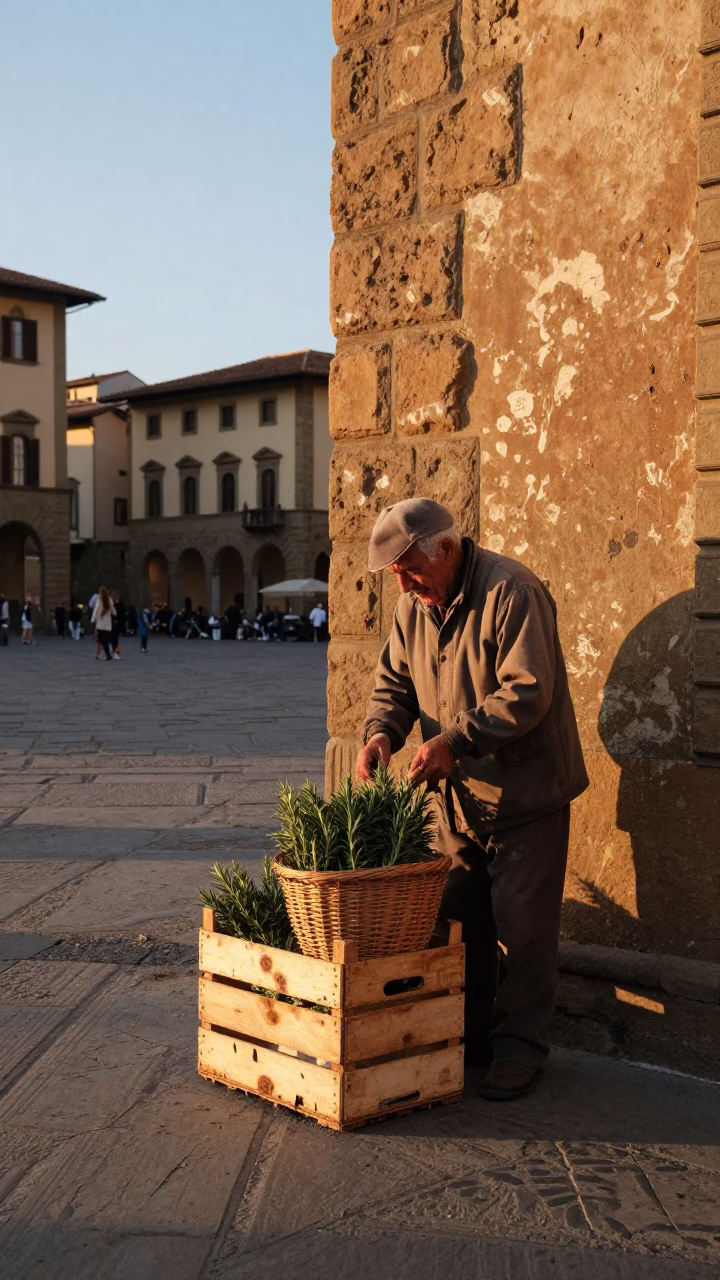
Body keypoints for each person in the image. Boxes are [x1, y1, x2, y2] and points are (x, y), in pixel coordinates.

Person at [356, 498, 589, 1102]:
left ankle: (520, 1051)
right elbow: (394, 683)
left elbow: (528, 692)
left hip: (525, 794)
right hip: (458, 799)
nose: (405, 586)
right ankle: (473, 1039)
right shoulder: (413, 607)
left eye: (411, 569)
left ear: (448, 549)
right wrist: (381, 731)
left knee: (525, 930)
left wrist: (454, 741)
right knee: (460, 922)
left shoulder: (513, 590)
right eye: (397, 577)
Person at [91, 586, 116, 660]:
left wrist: (93, 619)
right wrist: (115, 613)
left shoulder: (99, 599)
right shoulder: (109, 599)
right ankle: (108, 654)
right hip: (107, 624)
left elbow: (96, 610)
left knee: (101, 640)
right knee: (106, 640)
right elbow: (113, 609)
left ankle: (106, 654)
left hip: (100, 624)